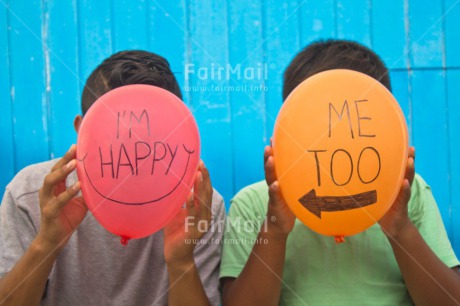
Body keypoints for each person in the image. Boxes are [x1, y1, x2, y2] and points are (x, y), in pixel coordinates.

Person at [220, 39, 460, 305]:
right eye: (317, 123)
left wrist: (400, 228)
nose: (337, 138)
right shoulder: (254, 203)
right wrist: (275, 228)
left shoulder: (407, 191)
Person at [0, 51, 225, 306]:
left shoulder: (198, 206)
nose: (136, 146)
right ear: (80, 129)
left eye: (154, 133)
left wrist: (181, 261)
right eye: (119, 129)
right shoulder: (31, 194)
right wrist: (47, 243)